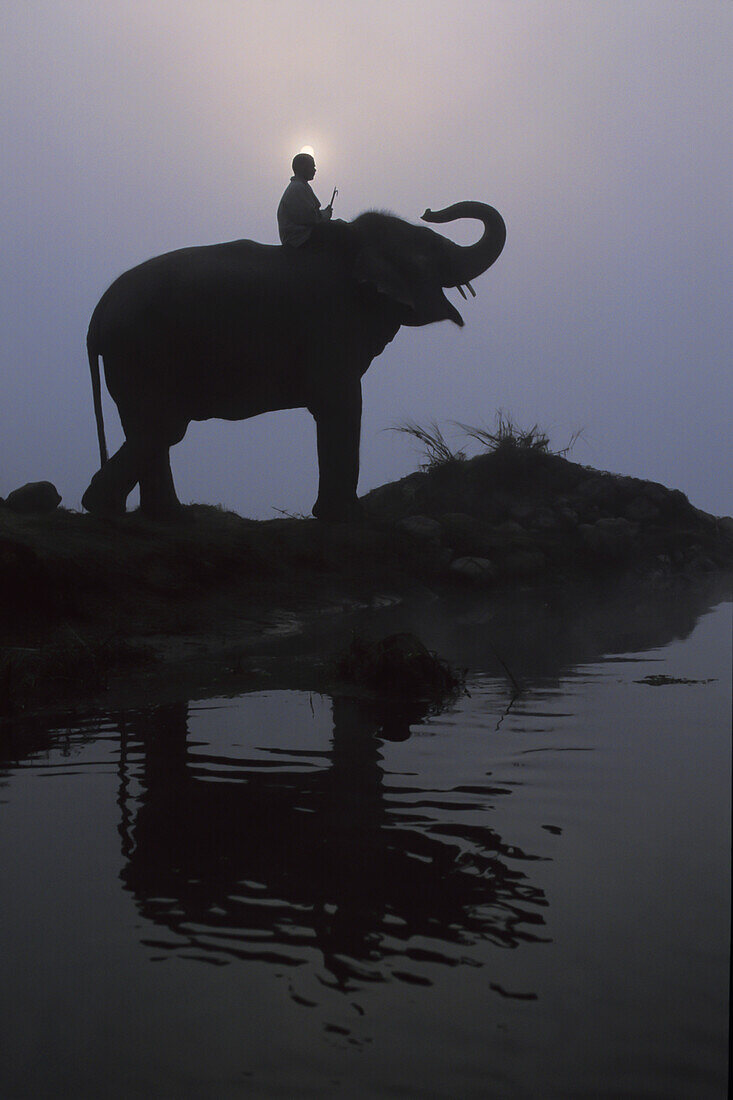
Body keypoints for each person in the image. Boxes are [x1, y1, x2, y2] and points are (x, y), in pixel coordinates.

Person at [277, 153, 333, 247]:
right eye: (312, 167)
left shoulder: (301, 186)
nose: (315, 170)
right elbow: (310, 218)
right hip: (298, 238)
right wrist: (326, 214)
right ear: (303, 168)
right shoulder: (297, 188)